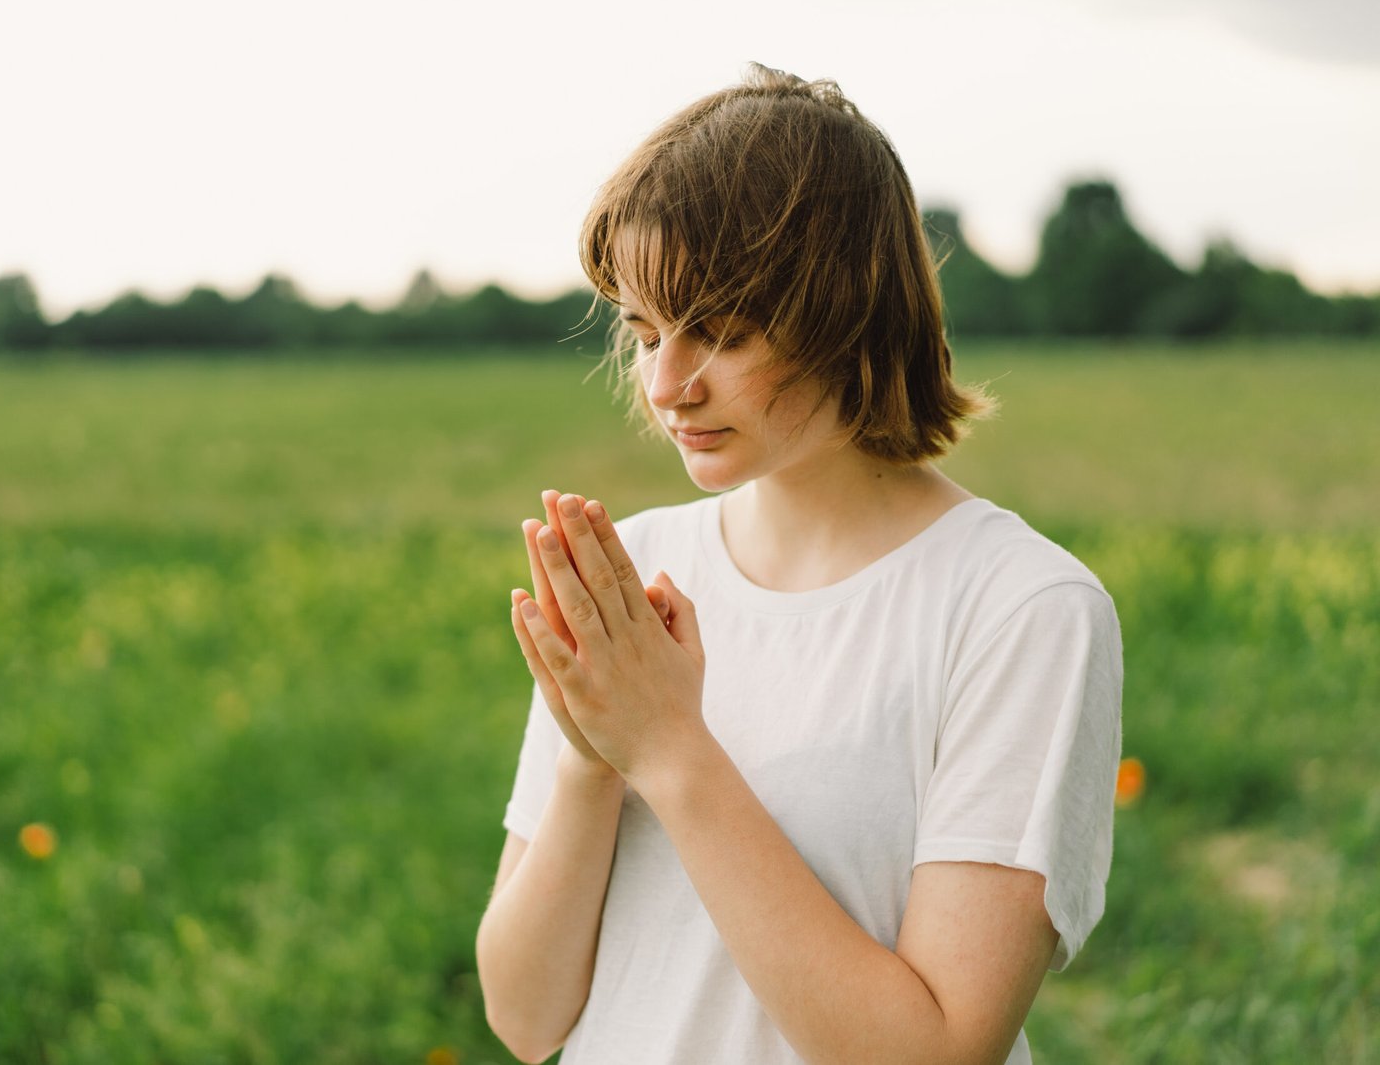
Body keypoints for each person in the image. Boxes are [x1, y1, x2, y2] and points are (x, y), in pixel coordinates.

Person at [475, 63, 1123, 1065]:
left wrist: (668, 747)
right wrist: (590, 758)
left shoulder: (1021, 608)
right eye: (644, 331)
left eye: (721, 333)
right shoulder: (634, 567)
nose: (665, 384)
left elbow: (937, 1049)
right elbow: (524, 1016)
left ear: (851, 312)